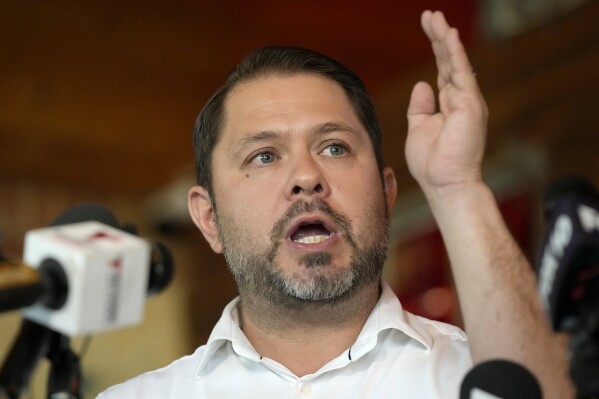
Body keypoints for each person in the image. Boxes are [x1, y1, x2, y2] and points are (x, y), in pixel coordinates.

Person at [98, 10, 573, 398]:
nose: (307, 177)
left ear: (388, 194)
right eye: (264, 156)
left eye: (334, 148)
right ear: (208, 218)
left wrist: (456, 187)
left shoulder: (478, 379)